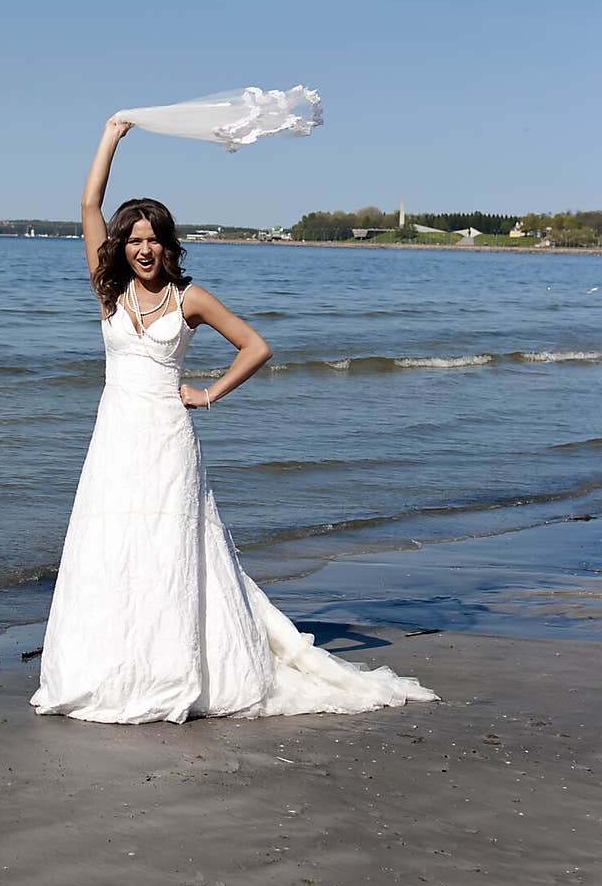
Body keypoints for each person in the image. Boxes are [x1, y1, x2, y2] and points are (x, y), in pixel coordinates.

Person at [30, 118, 437, 723]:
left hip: (169, 438)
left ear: (168, 245)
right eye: (134, 239)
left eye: (155, 239)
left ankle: (177, 670)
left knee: (172, 548)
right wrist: (112, 135)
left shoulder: (188, 298)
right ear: (121, 246)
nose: (144, 249)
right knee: (111, 546)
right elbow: (88, 203)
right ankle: (108, 668)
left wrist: (209, 393)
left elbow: (255, 345)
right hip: (115, 439)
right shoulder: (107, 289)